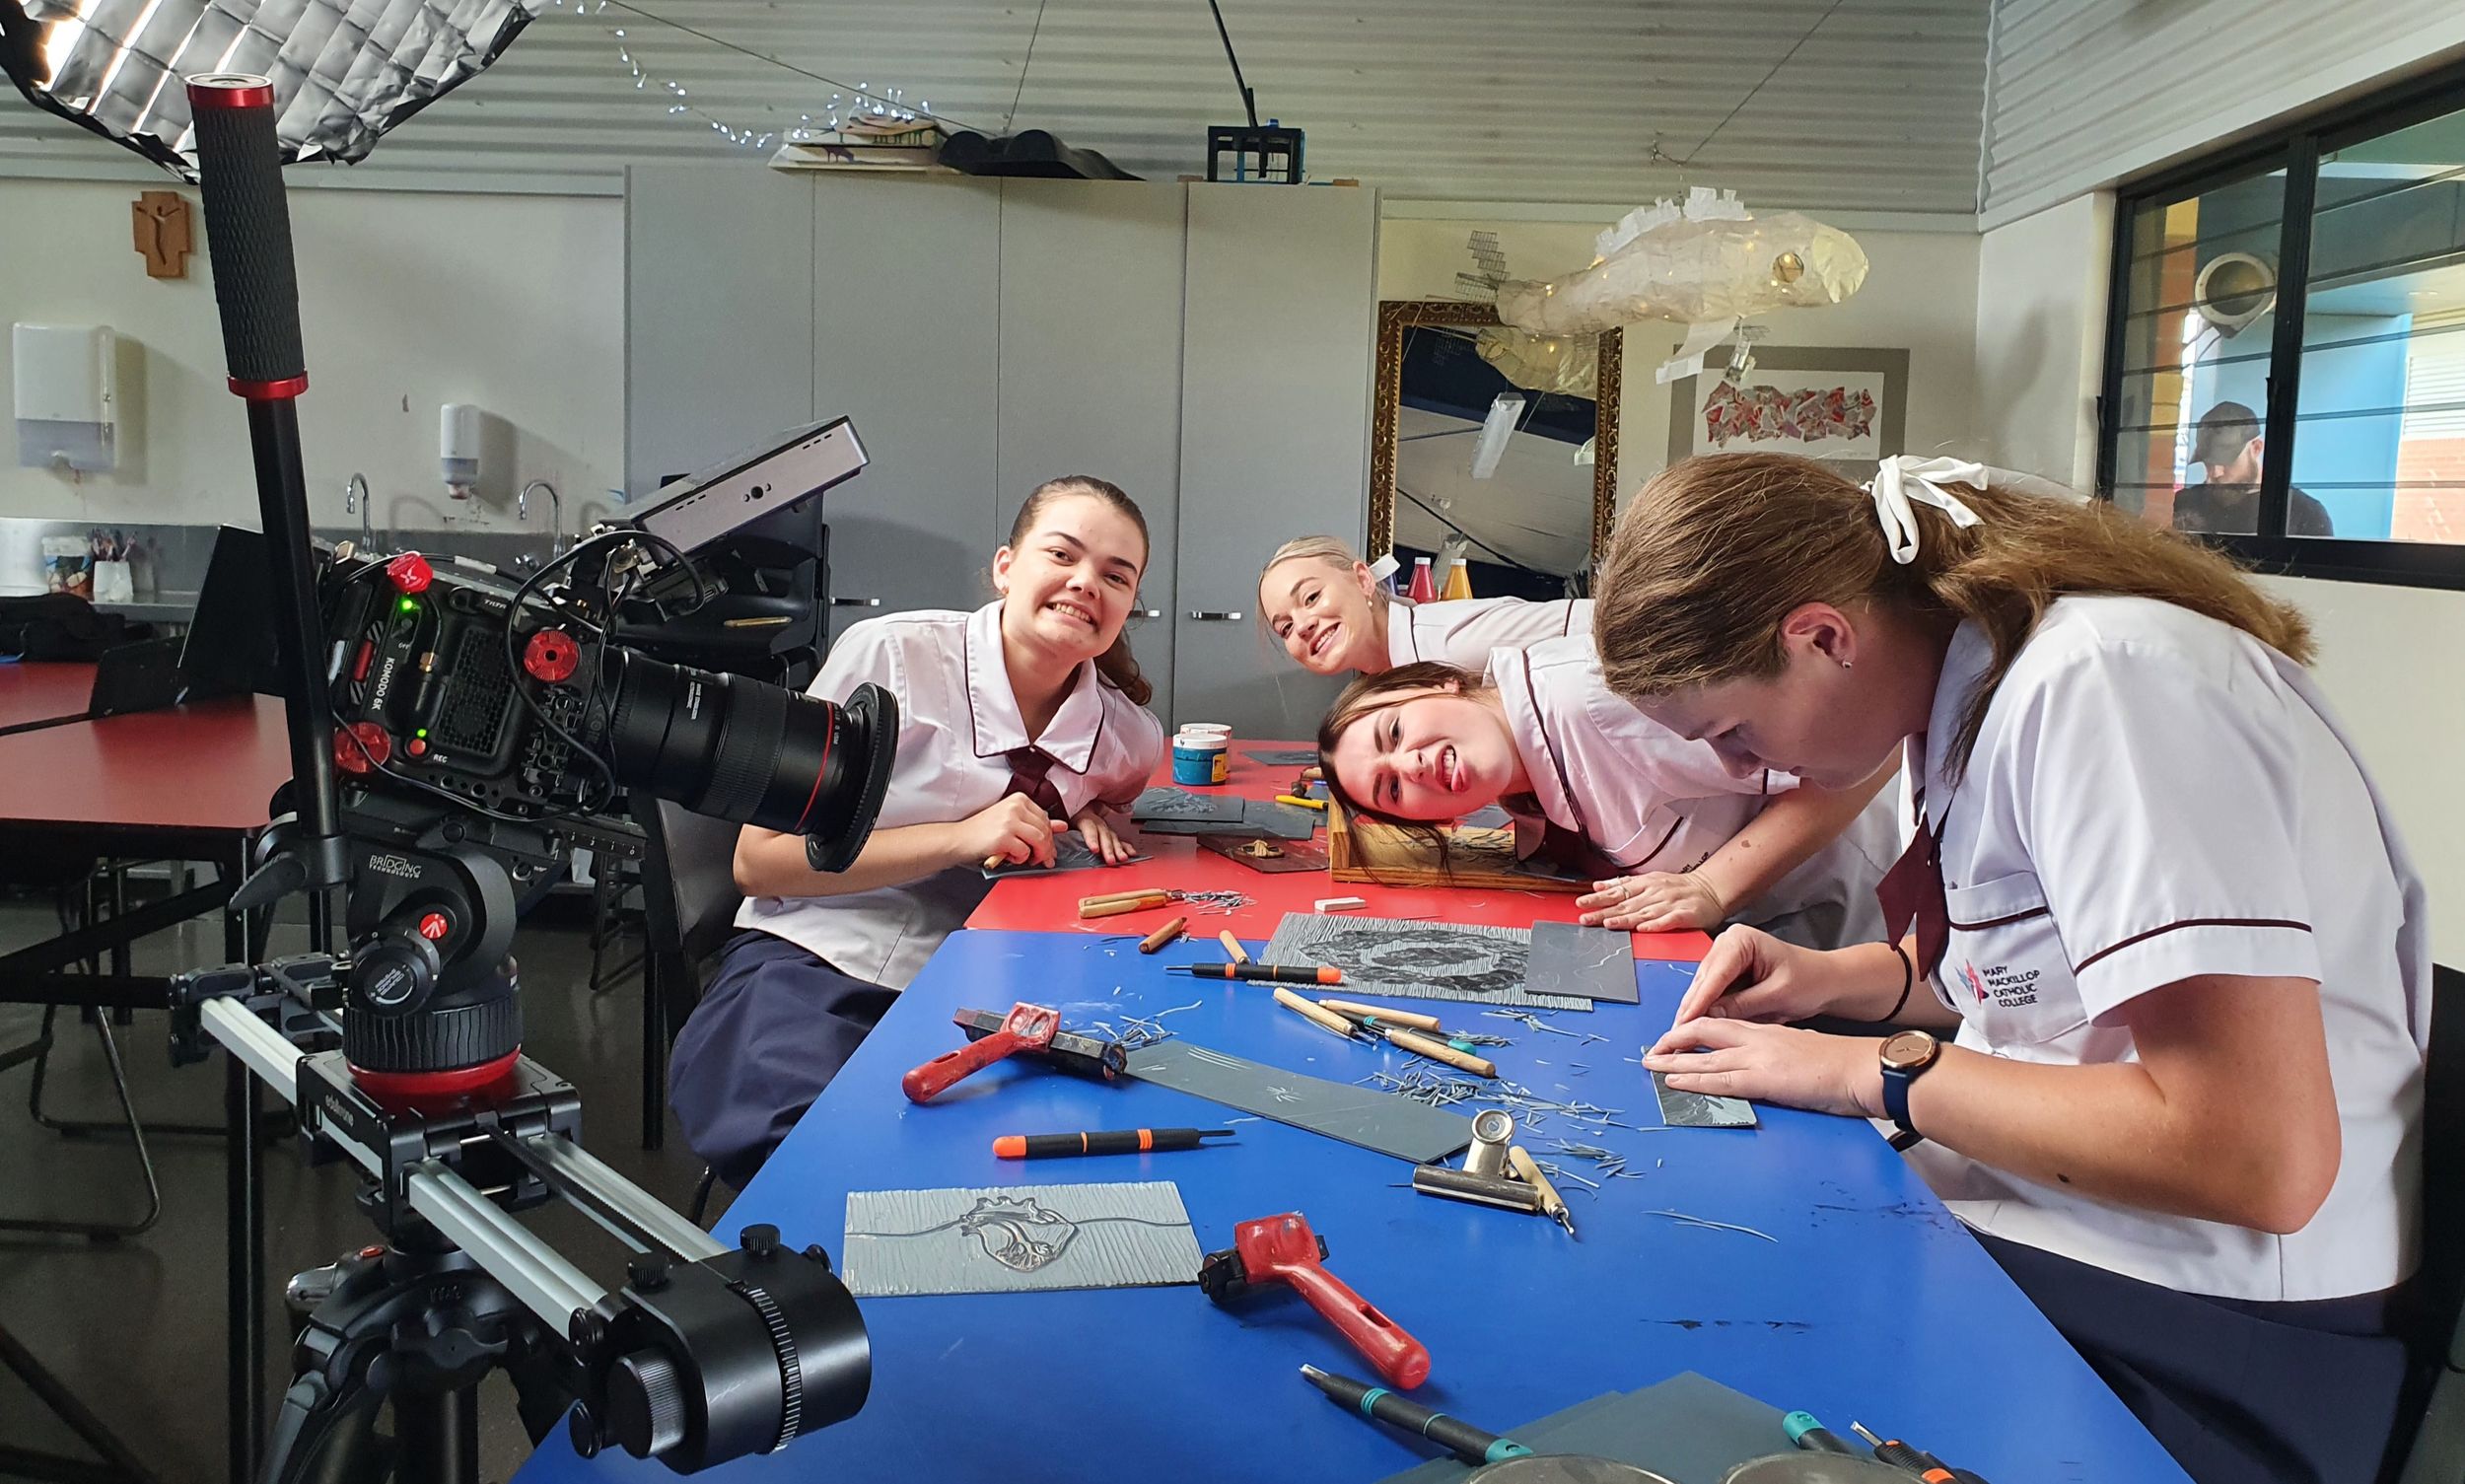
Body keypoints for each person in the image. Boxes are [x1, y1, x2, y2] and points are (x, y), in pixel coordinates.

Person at [1597, 452, 2427, 1484]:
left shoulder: (2105, 686)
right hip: (2067, 1224)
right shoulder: (1974, 693)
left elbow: (2257, 1157)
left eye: (1733, 731)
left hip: (2211, 1320)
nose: (1740, 772)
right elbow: (2037, 987)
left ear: (1822, 637)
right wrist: (1826, 979)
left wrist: (1866, 1070)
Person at [669, 476, 1166, 1186]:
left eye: (1116, 576)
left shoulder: (1128, 738)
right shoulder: (891, 657)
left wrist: (1084, 807)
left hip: (992, 984)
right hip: (824, 958)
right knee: (827, 1158)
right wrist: (962, 836)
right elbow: (759, 862)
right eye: (1062, 554)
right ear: (1005, 567)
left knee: (1043, 1162)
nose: (1086, 582)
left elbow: (1114, 792)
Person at [1314, 637, 1896, 943]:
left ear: (1439, 683)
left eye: (1395, 731)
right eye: (1392, 789)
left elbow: (1867, 758)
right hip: (1813, 929)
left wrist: (1711, 888)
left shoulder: (1594, 705)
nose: (1411, 765)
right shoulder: (1528, 774)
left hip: (1891, 882)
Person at [1257, 535, 1590, 676]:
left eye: (1311, 597)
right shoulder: (1386, 672)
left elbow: (1600, 623)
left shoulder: (1452, 641)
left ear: (1362, 579)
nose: (1302, 626)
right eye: (1285, 628)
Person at [2172, 400, 2334, 537]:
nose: (2215, 473)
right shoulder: (2185, 502)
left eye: (2226, 460)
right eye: (2208, 462)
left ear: (2256, 448)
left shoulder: (2303, 513)